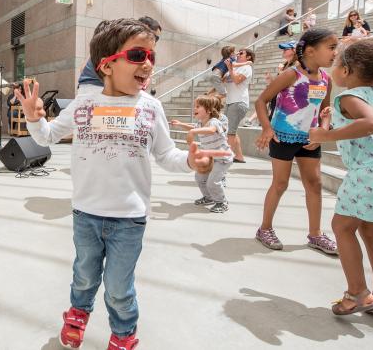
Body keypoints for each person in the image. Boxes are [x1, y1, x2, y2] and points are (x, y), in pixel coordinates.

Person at [14, 18, 228, 350]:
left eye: (152, 58)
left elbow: (166, 153)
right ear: (106, 65)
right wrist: (33, 116)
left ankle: (124, 332)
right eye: (138, 55)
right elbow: (47, 136)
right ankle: (77, 314)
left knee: (118, 286)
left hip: (129, 219)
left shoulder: (151, 108)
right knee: (84, 275)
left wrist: (188, 161)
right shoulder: (85, 104)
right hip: (86, 215)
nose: (148, 64)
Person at [308, 38, 373, 315]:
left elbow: (372, 123)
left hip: (368, 174)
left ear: (345, 70)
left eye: (335, 62)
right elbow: (366, 121)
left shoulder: (347, 97)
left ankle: (357, 293)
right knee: (370, 230)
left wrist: (327, 135)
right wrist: (327, 125)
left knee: (342, 227)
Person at [253, 28, 339, 255]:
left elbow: (325, 110)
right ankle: (265, 228)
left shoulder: (326, 79)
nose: (335, 53)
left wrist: (322, 130)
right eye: (331, 48)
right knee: (280, 184)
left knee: (315, 184)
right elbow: (261, 101)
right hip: (283, 136)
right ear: (310, 51)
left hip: (309, 139)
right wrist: (267, 128)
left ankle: (316, 234)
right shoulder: (292, 74)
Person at [170, 95, 232, 213]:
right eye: (195, 106)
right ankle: (209, 198)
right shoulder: (199, 123)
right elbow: (192, 127)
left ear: (208, 110)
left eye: (198, 106)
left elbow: (211, 130)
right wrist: (180, 124)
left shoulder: (214, 122)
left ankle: (222, 202)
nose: (195, 109)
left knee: (213, 181)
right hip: (210, 158)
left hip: (222, 158)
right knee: (200, 178)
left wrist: (193, 131)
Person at [76, 16, 161, 95]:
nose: (155, 40)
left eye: (152, 57)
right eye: (154, 36)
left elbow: (82, 68)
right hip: (95, 87)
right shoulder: (115, 43)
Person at [244, 41, 298, 127]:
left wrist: (280, 73)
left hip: (286, 101)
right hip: (278, 99)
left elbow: (288, 83)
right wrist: (270, 80)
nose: (283, 51)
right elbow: (279, 84)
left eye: (286, 49)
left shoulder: (297, 65)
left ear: (294, 50)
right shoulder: (285, 64)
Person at [222, 48, 254, 164]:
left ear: (248, 57)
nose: (238, 54)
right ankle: (239, 156)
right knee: (231, 131)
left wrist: (230, 69)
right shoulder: (235, 65)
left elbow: (236, 80)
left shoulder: (247, 68)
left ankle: (224, 157)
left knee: (229, 131)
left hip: (239, 102)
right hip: (230, 102)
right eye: (238, 52)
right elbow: (223, 79)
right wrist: (228, 67)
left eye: (241, 53)